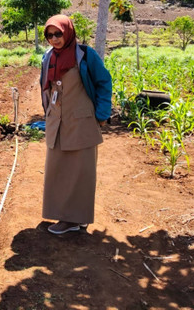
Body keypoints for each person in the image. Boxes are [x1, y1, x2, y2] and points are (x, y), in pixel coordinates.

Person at [39, 14, 112, 235]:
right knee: (58, 170)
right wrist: (48, 113)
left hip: (82, 123)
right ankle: (69, 217)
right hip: (57, 124)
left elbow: (104, 81)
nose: (54, 39)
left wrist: (101, 114)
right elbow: (46, 88)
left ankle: (72, 220)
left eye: (58, 34)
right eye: (50, 35)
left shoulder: (85, 55)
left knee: (81, 172)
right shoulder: (48, 57)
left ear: (68, 32)